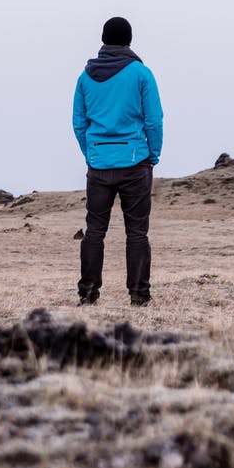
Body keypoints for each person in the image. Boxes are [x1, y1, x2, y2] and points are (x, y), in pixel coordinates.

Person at [72, 17, 163, 306]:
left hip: (99, 165)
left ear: (103, 40)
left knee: (94, 231)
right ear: (129, 41)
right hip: (135, 162)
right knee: (136, 231)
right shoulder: (141, 73)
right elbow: (154, 120)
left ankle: (88, 294)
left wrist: (92, 153)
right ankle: (138, 295)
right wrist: (153, 155)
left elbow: (78, 122)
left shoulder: (85, 76)